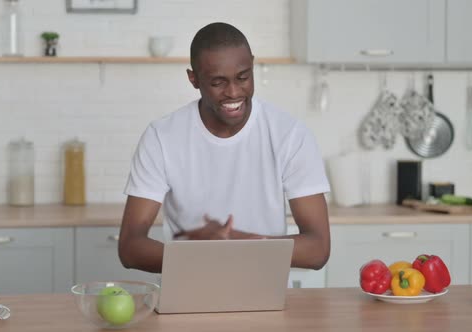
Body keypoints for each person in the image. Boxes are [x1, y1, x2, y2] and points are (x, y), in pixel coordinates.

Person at [118, 22, 330, 274]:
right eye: (218, 82)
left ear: (252, 65)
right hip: (188, 295)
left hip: (264, 295)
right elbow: (130, 247)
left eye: (243, 77)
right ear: (193, 79)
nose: (233, 92)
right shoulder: (161, 137)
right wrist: (200, 255)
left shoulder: (290, 134)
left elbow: (318, 249)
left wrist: (236, 244)